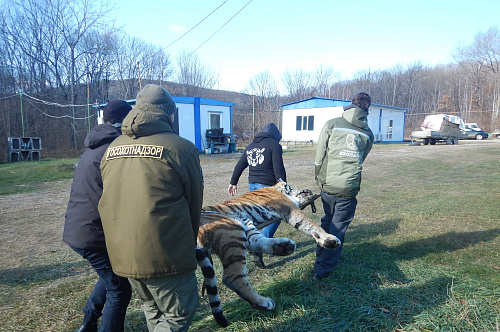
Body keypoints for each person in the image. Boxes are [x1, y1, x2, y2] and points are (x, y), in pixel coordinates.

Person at [98, 84, 204, 332]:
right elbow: (194, 204)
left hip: (123, 252)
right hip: (164, 253)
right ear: (169, 113)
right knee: (181, 311)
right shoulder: (181, 148)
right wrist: (186, 246)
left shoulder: (112, 149)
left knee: (152, 307)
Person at [63, 100, 133, 332]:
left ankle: (88, 322)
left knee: (110, 276)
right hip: (93, 233)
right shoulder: (115, 150)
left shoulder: (95, 144)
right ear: (125, 120)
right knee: (119, 289)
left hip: (80, 229)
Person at [313, 92, 374, 281]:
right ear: (367, 109)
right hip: (348, 189)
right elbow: (360, 158)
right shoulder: (368, 133)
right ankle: (323, 269)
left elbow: (319, 154)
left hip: (328, 186)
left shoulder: (332, 124)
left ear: (351, 104)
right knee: (337, 228)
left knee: (328, 221)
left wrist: (319, 177)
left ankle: (321, 256)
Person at [228, 122, 286, 268]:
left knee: (258, 217)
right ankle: (262, 246)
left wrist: (233, 183)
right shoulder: (274, 145)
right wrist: (284, 187)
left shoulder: (251, 146)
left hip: (252, 187)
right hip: (267, 187)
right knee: (275, 217)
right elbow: (279, 169)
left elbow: (239, 165)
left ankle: (261, 244)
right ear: (275, 136)